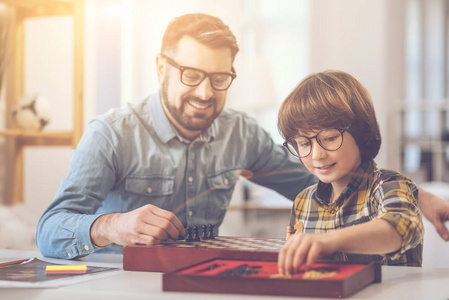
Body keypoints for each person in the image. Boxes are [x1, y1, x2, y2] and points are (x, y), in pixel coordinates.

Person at [36, 13, 448, 260]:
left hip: (204, 283)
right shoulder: (110, 134)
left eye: (220, 78)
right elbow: (50, 228)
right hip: (112, 285)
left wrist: (416, 195)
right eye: (191, 75)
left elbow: (323, 176)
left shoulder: (241, 133)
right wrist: (111, 226)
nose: (205, 92)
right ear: (161, 68)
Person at [277, 70, 423, 275]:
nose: (317, 155)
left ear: (361, 133)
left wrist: (329, 240)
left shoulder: (389, 185)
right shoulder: (303, 201)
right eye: (303, 143)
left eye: (329, 138)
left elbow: (401, 227)